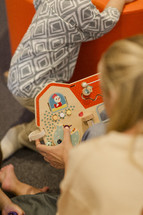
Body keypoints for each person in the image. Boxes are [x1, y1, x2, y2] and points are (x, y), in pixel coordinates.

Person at [1, 34, 143, 215]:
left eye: (103, 89)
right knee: (96, 131)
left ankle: (30, 194)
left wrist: (70, 162)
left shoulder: (99, 161)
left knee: (25, 207)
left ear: (114, 96)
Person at [1, 0, 136, 160]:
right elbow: (103, 24)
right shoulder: (79, 6)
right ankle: (24, 136)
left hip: (20, 70)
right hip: (39, 88)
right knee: (67, 128)